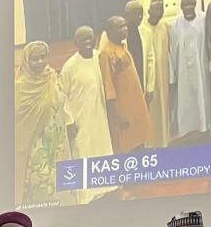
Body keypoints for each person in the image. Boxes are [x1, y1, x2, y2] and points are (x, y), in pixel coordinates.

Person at [58, 27, 116, 203]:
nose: (88, 42)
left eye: (91, 38)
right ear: (76, 43)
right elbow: (62, 96)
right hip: (80, 121)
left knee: (102, 152)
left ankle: (105, 189)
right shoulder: (70, 66)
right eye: (84, 39)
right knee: (83, 154)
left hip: (101, 118)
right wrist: (69, 121)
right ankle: (87, 196)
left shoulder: (100, 58)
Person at [15, 41, 72, 205]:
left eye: (43, 57)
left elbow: (62, 101)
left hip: (56, 140)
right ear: (27, 60)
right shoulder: (20, 87)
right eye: (35, 59)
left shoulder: (52, 77)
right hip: (35, 144)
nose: (40, 62)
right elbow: (20, 121)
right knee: (39, 182)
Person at [170, 0, 211, 139]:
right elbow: (171, 52)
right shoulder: (175, 26)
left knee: (202, 99)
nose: (188, 8)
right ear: (181, 6)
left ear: (196, 4)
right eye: (185, 5)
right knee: (185, 101)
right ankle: (186, 131)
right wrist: (173, 75)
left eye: (191, 5)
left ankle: (204, 127)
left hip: (201, 69)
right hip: (183, 73)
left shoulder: (203, 20)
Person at [100, 15, 153, 153]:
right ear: (109, 31)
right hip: (124, 114)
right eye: (119, 27)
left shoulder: (123, 48)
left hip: (135, 109)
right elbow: (109, 88)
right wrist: (119, 116)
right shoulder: (107, 54)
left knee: (140, 144)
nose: (124, 30)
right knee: (128, 151)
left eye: (125, 26)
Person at [140, 0, 172, 148]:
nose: (159, 13)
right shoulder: (142, 30)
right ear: (148, 11)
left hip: (163, 78)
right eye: (156, 9)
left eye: (161, 9)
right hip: (149, 81)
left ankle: (164, 143)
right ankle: (150, 145)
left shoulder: (164, 27)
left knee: (163, 110)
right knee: (151, 112)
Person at [124, 0, 146, 88]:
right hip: (127, 81)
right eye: (136, 14)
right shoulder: (118, 34)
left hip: (141, 78)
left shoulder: (144, 31)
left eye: (141, 14)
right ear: (127, 15)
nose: (140, 17)